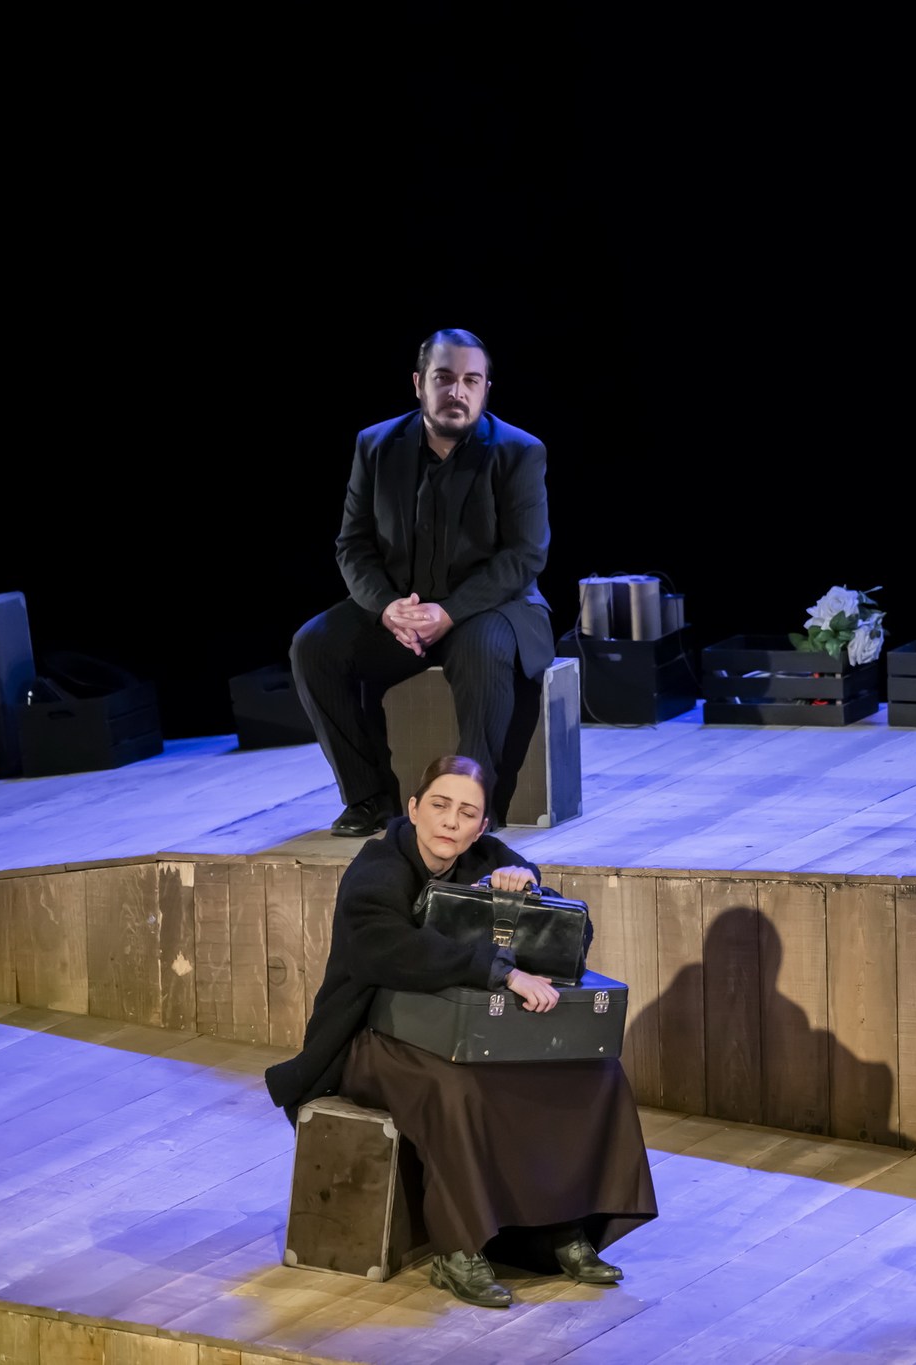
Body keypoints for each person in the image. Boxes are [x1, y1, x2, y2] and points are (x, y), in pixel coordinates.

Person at [264, 754, 656, 1309]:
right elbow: (389, 949)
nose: (451, 821)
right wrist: (502, 971)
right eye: (440, 806)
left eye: (467, 813)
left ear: (482, 825)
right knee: (457, 1088)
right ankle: (459, 1249)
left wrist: (528, 890)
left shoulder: (491, 859)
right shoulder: (377, 869)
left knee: (591, 1072)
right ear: (413, 809)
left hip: (465, 1033)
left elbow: (568, 932)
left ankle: (558, 1230)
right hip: (374, 1038)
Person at [291, 328, 555, 837]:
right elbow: (353, 545)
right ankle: (367, 798)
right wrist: (388, 608)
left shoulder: (520, 451)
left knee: (481, 650)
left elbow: (524, 556)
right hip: (404, 609)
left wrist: (448, 612)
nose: (457, 391)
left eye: (471, 381)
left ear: (485, 388)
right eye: (444, 378)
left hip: (489, 608)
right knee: (314, 646)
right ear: (419, 383)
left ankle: (472, 806)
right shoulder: (375, 445)